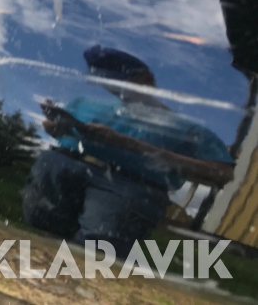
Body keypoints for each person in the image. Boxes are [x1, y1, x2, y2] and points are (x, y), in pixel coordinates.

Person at [22, 45, 235, 257]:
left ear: (147, 81)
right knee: (39, 238)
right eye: (107, 82)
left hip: (128, 186)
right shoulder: (83, 102)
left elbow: (222, 173)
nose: (114, 88)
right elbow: (58, 132)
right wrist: (55, 128)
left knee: (97, 253)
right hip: (59, 166)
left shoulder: (189, 129)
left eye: (121, 82)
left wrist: (128, 144)